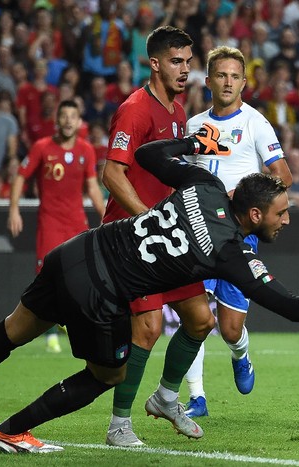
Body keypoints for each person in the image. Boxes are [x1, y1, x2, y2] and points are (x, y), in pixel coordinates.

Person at [0, 124, 299, 454]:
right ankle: (10, 433)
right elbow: (290, 306)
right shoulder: (233, 254)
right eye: (281, 213)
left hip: (77, 251)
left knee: (14, 329)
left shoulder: (203, 184)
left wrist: (195, 144)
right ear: (253, 215)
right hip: (101, 290)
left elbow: (146, 155)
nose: (286, 220)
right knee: (107, 375)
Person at [100, 25, 211, 448]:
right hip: (134, 238)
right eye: (177, 62)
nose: (186, 70)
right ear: (155, 63)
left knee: (201, 320)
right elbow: (112, 173)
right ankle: (119, 426)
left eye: (188, 61)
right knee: (146, 330)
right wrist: (148, 219)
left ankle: (165, 398)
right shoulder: (135, 109)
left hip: (167, 237)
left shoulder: (179, 112)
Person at [180, 46, 293, 418]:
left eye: (234, 76)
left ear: (244, 82)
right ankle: (197, 397)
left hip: (237, 236)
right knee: (195, 317)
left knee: (229, 330)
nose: (227, 82)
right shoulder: (193, 125)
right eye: (221, 75)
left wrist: (239, 196)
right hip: (197, 232)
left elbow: (284, 177)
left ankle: (241, 355)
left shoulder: (255, 123)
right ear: (209, 80)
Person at [7, 99, 105, 353]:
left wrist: (106, 215)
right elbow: (21, 176)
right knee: (46, 278)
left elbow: (93, 187)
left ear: (80, 121)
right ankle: (50, 332)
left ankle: (73, 326)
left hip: (76, 223)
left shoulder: (86, 150)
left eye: (73, 116)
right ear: (57, 120)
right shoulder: (42, 147)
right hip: (49, 223)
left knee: (81, 277)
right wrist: (14, 209)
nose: (69, 120)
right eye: (64, 116)